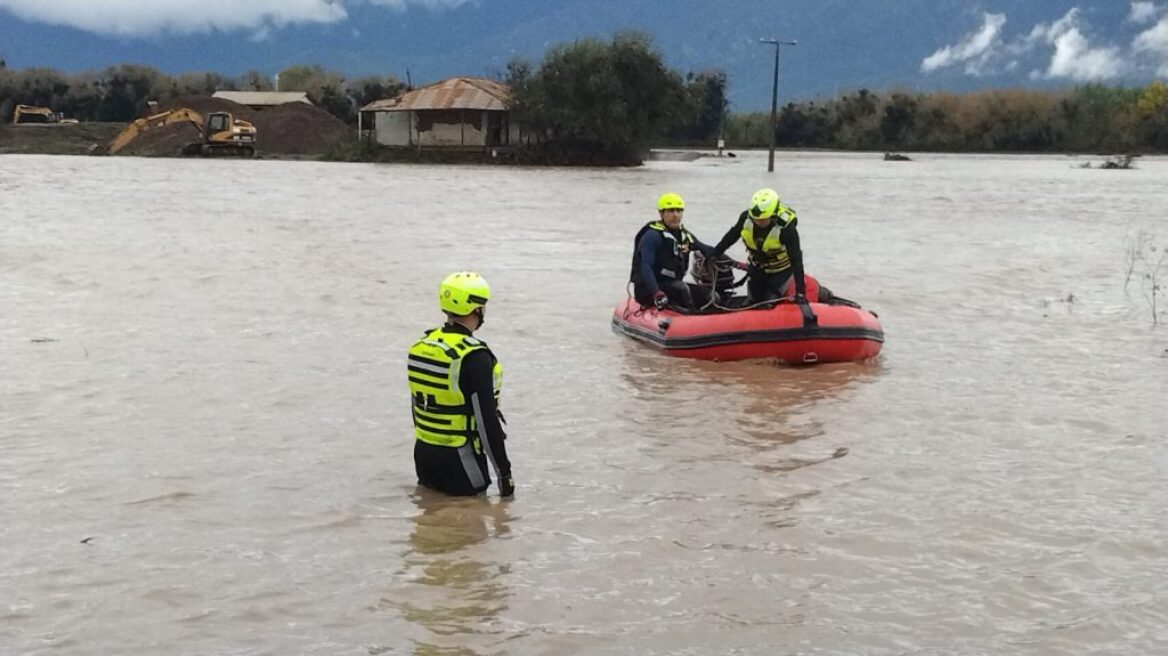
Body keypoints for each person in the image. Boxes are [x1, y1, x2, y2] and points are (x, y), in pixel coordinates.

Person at [407, 272, 513, 498]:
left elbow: (417, 406)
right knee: (472, 528)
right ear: (477, 309)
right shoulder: (474, 357)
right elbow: (487, 423)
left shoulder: (421, 346)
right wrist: (505, 477)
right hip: (461, 464)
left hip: (423, 457)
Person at [710, 188, 807, 304]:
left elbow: (796, 260)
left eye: (762, 219)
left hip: (781, 271)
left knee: (770, 300)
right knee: (752, 300)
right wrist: (715, 253)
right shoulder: (746, 218)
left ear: (773, 215)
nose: (758, 222)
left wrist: (800, 292)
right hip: (758, 268)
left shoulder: (786, 229)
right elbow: (731, 236)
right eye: (755, 219)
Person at [630, 192, 718, 312]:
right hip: (648, 289)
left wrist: (739, 264)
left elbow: (706, 249)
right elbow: (645, 266)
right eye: (671, 211)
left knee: (711, 297)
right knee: (681, 289)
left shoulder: (684, 235)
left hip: (673, 285)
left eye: (679, 211)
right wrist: (656, 292)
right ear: (661, 213)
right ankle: (691, 317)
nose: (675, 215)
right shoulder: (652, 236)